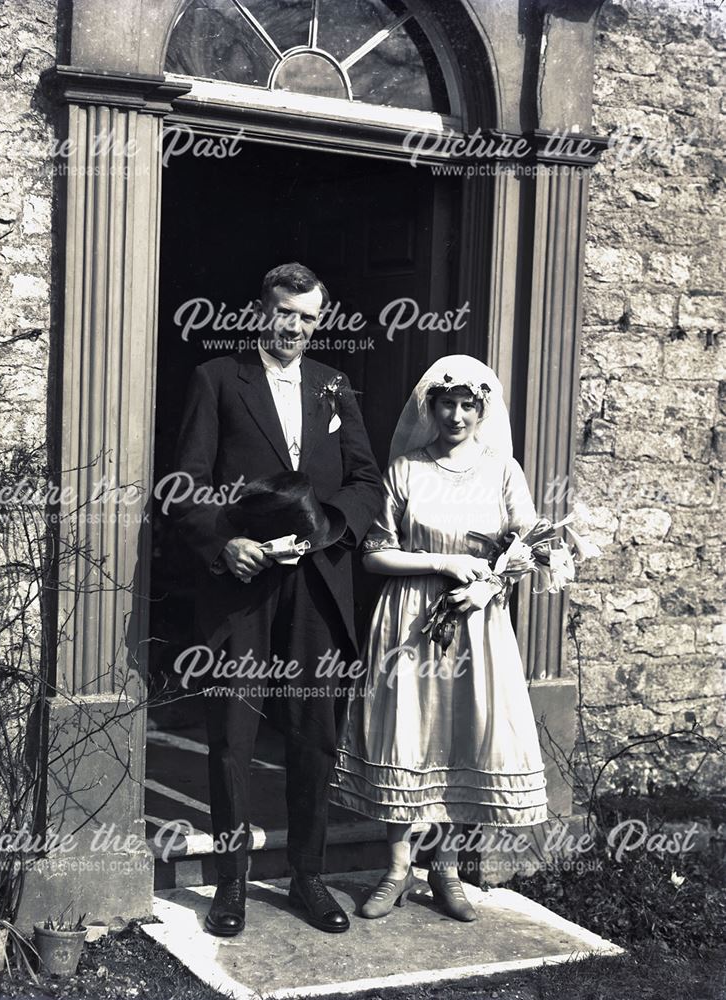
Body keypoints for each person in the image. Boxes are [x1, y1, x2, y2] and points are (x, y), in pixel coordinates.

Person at [172, 263, 383, 936]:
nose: (292, 327)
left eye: (306, 317)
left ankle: (307, 877)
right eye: (282, 313)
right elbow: (185, 483)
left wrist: (328, 528)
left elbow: (365, 479)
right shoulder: (217, 378)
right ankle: (230, 886)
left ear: (320, 320)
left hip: (316, 586)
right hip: (242, 585)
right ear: (258, 311)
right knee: (232, 735)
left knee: (313, 733)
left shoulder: (333, 386)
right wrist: (222, 544)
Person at [330, 355, 548, 921]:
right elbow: (375, 553)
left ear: (482, 410)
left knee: (460, 732)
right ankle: (397, 869)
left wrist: (489, 586)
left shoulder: (503, 470)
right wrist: (443, 561)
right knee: (407, 733)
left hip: (475, 620)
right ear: (430, 407)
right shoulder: (405, 468)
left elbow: (533, 544)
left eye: (467, 405)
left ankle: (446, 868)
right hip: (408, 616)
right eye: (445, 403)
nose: (455, 415)